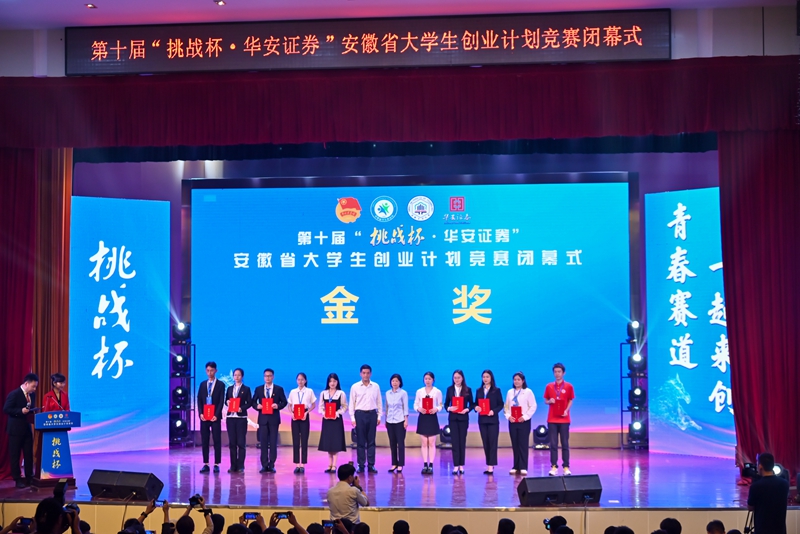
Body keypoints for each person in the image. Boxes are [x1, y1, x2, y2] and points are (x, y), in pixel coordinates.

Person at [4, 373, 38, 488]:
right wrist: (20, 411)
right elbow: (6, 409)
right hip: (15, 430)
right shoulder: (14, 394)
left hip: (27, 429)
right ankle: (17, 479)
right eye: (33, 386)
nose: (34, 389)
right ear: (26, 383)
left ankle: (30, 477)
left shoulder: (32, 395)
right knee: (15, 455)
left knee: (29, 454)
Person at [253, 368, 288, 474]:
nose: (267, 378)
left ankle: (272, 465)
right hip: (263, 420)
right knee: (263, 443)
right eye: (266, 376)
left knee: (273, 443)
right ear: (264, 377)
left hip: (274, 419)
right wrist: (257, 406)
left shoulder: (278, 389)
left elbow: (284, 402)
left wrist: (277, 405)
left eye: (269, 376)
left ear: (273, 377)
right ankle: (264, 465)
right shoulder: (259, 389)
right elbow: (253, 402)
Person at [349, 364, 382, 473]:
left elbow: (379, 402)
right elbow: (352, 403)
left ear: (370, 374)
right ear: (360, 374)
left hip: (372, 414)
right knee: (360, 441)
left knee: (371, 441)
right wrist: (352, 418)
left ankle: (371, 465)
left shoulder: (375, 386)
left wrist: (379, 416)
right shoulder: (355, 386)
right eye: (364, 373)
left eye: (368, 373)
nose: (366, 375)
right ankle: (361, 465)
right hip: (360, 415)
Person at [747, 452, 789, 534]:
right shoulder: (784, 484)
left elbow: (750, 507)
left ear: (760, 466)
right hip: (780, 531)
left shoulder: (756, 486)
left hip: (762, 530)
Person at [544, 363, 575, 476]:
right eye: (555, 372)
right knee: (553, 444)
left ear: (563, 373)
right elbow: (546, 400)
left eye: (559, 372)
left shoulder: (569, 386)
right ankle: (554, 466)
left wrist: (566, 410)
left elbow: (570, 400)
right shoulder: (549, 386)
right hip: (552, 419)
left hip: (564, 419)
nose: (557, 374)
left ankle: (566, 467)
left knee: (565, 444)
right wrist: (549, 401)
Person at [504, 371, 536, 475]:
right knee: (515, 444)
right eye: (515, 380)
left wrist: (525, 417)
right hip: (513, 421)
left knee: (523, 443)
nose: (516, 381)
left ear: (523, 381)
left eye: (518, 379)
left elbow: (533, 406)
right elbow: (506, 406)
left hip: (523, 421)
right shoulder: (510, 392)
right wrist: (508, 416)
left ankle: (523, 467)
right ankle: (516, 466)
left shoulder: (528, 392)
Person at [198, 362, 226, 474]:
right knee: (205, 440)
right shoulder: (202, 384)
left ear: (216, 371)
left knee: (216, 440)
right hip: (204, 417)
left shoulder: (220, 384)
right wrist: (200, 413)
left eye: (212, 370)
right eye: (208, 370)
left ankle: (216, 464)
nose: (210, 373)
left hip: (215, 417)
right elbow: (199, 399)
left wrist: (216, 415)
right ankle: (206, 464)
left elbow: (221, 401)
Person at [474, 369, 503, 474]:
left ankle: (491, 465)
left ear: (491, 378)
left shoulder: (496, 390)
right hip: (482, 420)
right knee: (486, 442)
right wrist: (476, 407)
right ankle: (488, 464)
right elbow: (475, 403)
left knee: (492, 442)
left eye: (487, 377)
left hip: (492, 420)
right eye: (484, 377)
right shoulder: (479, 390)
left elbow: (501, 404)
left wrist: (493, 411)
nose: (485, 379)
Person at [413, 372, 443, 475]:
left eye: (429, 379)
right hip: (423, 417)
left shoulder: (437, 391)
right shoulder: (419, 391)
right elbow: (415, 404)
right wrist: (418, 409)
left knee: (431, 442)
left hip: (432, 417)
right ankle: (425, 464)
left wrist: (436, 409)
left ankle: (431, 465)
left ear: (433, 380)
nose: (427, 381)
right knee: (424, 442)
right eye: (426, 379)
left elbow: (440, 405)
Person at [444, 370, 472, 475]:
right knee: (455, 442)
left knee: (462, 442)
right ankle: (455, 465)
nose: (456, 379)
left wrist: (467, 409)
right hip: (453, 419)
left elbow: (472, 404)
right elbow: (446, 404)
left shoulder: (467, 389)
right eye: (455, 378)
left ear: (462, 378)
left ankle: (461, 465)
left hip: (463, 419)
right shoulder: (450, 389)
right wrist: (449, 408)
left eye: (458, 377)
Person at [287, 372, 316, 473]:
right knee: (295, 440)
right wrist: (291, 413)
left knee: (304, 440)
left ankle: (302, 464)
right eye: (298, 380)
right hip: (295, 416)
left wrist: (307, 413)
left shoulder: (309, 391)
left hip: (304, 415)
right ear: (296, 381)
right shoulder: (293, 392)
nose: (300, 381)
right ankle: (297, 464)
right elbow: (289, 405)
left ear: (305, 380)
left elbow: (313, 405)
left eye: (302, 379)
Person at [319, 373, 347, 473]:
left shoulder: (341, 393)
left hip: (336, 421)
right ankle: (329, 465)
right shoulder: (324, 393)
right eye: (330, 381)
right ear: (328, 382)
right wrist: (324, 413)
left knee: (335, 443)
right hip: (327, 420)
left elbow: (345, 407)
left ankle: (334, 465)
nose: (332, 383)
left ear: (337, 382)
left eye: (334, 381)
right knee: (329, 443)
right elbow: (320, 407)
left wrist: (337, 413)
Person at [226, 368, 252, 473]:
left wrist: (242, 408)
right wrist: (227, 402)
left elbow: (249, 403)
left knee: (241, 443)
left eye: (239, 375)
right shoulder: (229, 389)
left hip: (241, 418)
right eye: (235, 375)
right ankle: (233, 465)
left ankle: (241, 465)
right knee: (232, 443)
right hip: (231, 418)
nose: (236, 377)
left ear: (242, 376)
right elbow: (225, 400)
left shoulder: (246, 389)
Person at [385, 374, 408, 473]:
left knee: (400, 443)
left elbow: (405, 407)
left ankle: (401, 464)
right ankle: (394, 463)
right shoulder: (387, 393)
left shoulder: (403, 393)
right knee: (392, 443)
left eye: (396, 381)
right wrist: (385, 420)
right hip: (390, 421)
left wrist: (406, 420)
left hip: (400, 421)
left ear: (400, 382)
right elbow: (387, 407)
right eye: (393, 381)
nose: (394, 383)